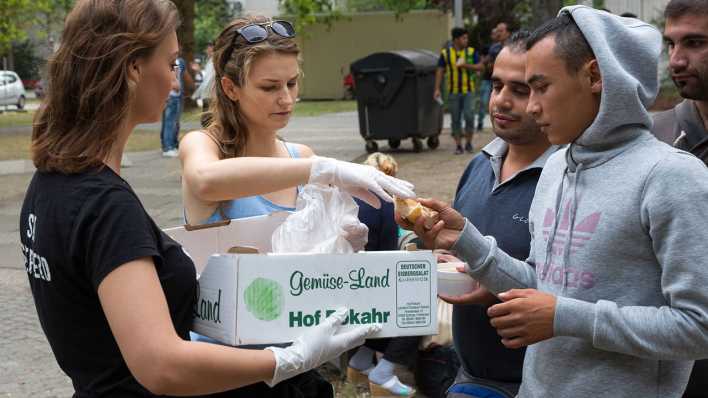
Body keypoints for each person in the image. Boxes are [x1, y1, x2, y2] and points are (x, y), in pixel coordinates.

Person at [19, 2, 395, 396]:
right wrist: (285, 361)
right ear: (132, 69)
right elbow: (161, 364)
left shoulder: (49, 184)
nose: (176, 83)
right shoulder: (103, 205)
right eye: (171, 63)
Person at [401, 7, 708, 397]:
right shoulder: (559, 165)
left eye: (541, 87)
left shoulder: (672, 177)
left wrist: (565, 317)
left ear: (594, 76)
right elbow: (544, 285)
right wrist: (466, 239)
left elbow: (700, 327)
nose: (530, 107)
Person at [440, 31, 557, 398]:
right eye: (496, 85)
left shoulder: (566, 179)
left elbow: (571, 293)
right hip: (469, 375)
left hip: (534, 384)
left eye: (520, 90)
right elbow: (465, 252)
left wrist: (492, 289)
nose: (501, 101)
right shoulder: (478, 165)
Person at [651, 1, 708, 396]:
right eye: (670, 44)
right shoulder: (656, 138)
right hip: (670, 370)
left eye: (694, 43)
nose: (677, 59)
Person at [347, 152, 419, 397]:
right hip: (368, 280)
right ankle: (385, 370)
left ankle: (362, 360)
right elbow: (386, 255)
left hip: (345, 278)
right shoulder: (387, 203)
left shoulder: (349, 198)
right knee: (418, 308)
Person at [434, 27, 485, 155]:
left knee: (469, 116)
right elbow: (440, 71)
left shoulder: (471, 52)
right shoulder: (446, 54)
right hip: (453, 92)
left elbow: (481, 66)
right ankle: (458, 145)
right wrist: (437, 89)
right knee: (455, 118)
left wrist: (466, 65)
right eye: (464, 38)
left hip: (469, 91)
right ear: (456, 39)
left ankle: (468, 143)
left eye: (466, 38)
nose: (466, 40)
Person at [160, 55, 186, 157]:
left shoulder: (178, 61)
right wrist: (175, 85)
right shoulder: (171, 62)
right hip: (171, 96)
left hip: (173, 96)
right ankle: (168, 147)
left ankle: (170, 145)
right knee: (170, 122)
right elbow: (172, 79)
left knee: (171, 121)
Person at [192, 42, 215, 127]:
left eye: (210, 49)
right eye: (207, 49)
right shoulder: (209, 61)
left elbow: (209, 79)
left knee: (208, 118)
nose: (207, 51)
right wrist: (199, 70)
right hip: (207, 94)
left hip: (211, 94)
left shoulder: (214, 60)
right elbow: (206, 77)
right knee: (206, 118)